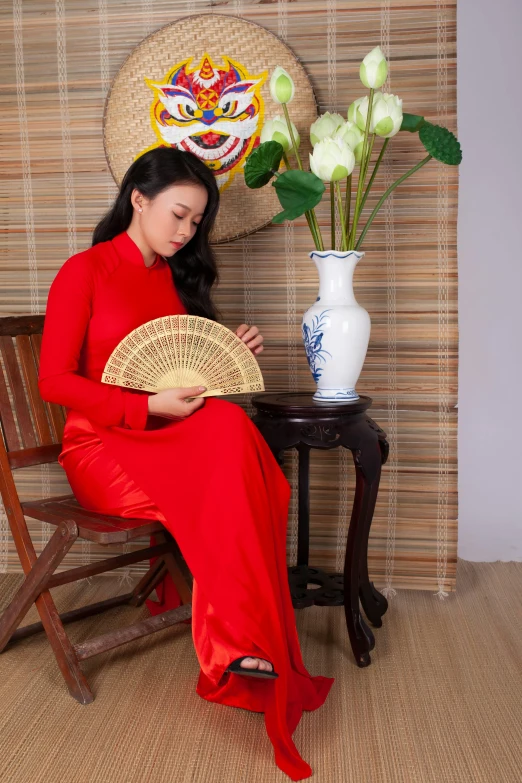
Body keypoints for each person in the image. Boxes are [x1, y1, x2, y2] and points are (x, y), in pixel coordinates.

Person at [38, 146, 334, 781]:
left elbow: (190, 381)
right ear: (138, 200)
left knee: (231, 429)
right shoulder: (83, 271)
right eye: (178, 214)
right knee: (227, 452)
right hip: (102, 445)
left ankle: (245, 644)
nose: (185, 231)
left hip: (164, 436)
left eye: (196, 222)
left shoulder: (172, 279)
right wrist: (144, 406)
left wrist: (231, 346)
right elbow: (55, 382)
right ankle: (240, 645)